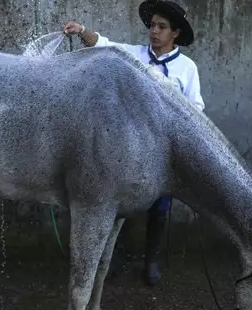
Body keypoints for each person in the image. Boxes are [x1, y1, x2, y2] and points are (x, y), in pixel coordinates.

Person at [63, 0, 205, 286]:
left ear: (175, 33)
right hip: (129, 148)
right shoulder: (135, 55)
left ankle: (152, 260)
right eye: (152, 25)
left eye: (161, 27)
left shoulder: (186, 68)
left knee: (159, 206)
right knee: (120, 204)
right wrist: (81, 30)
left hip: (163, 153)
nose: (154, 31)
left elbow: (196, 109)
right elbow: (104, 45)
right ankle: (113, 258)